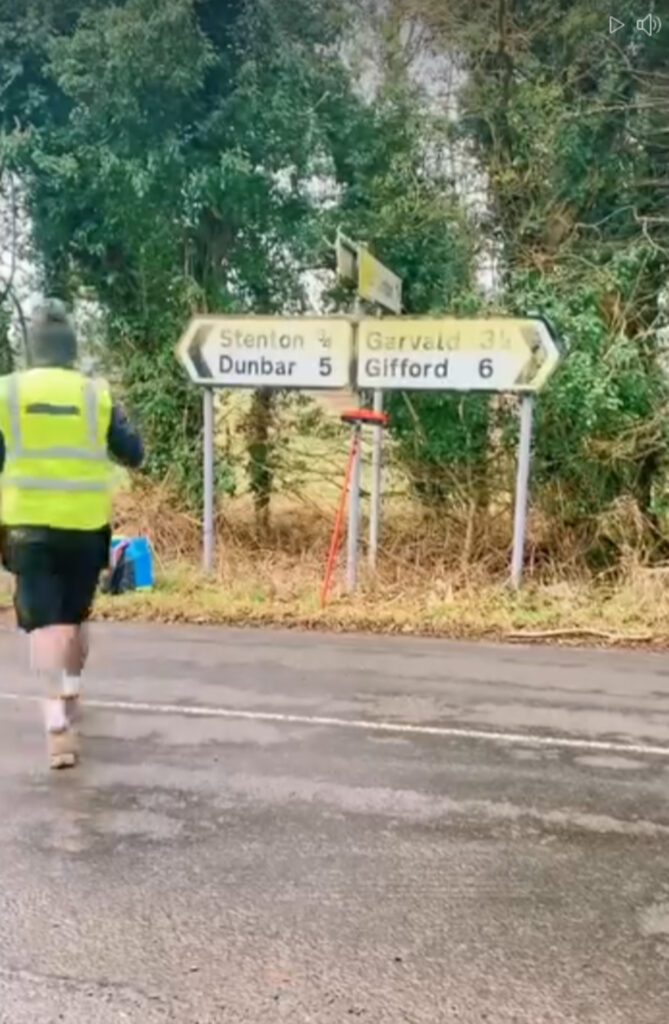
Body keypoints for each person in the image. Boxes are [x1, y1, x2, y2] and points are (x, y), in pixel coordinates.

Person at [0, 299, 143, 769]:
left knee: (46, 624)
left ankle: (58, 723)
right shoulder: (94, 394)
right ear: (72, 348)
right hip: (85, 528)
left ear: (32, 349)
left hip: (27, 527)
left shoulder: (7, 393)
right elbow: (133, 452)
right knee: (74, 620)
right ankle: (68, 699)